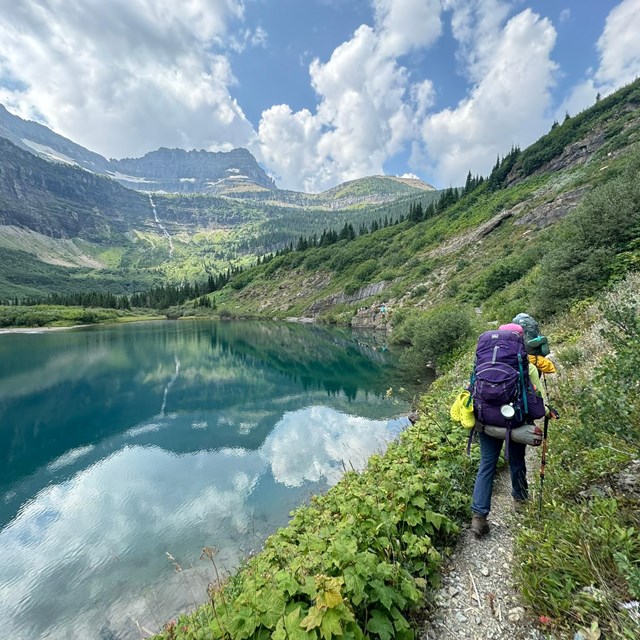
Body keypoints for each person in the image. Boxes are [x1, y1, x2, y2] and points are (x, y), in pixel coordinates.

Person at [470, 322, 548, 538]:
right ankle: (520, 504)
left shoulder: (484, 358)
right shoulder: (529, 366)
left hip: (485, 419)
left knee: (486, 465)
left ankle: (478, 518)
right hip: (514, 422)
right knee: (517, 462)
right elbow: (537, 403)